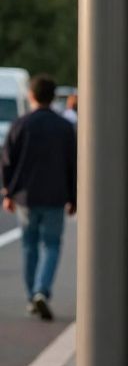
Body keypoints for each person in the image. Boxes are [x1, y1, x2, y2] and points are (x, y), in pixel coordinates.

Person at [0, 74, 76, 321]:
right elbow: (72, 164)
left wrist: (8, 193)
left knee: (29, 246)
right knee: (52, 245)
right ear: (54, 97)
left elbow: (7, 161)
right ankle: (42, 290)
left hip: (25, 198)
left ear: (31, 95)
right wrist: (73, 197)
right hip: (55, 196)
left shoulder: (21, 124)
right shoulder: (64, 127)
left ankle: (33, 295)